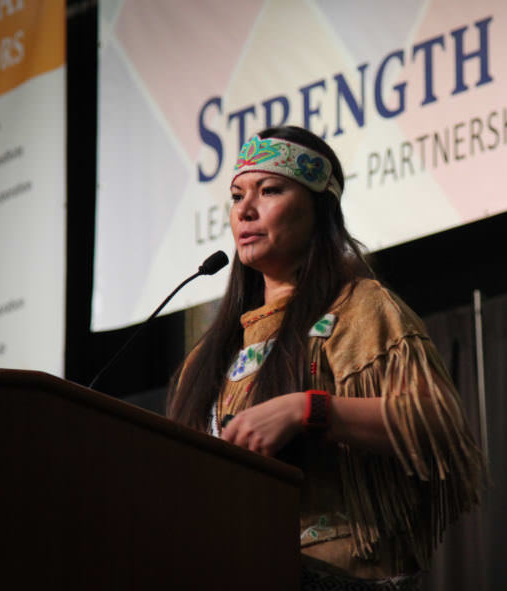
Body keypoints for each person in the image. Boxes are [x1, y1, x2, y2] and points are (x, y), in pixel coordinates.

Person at [166, 126, 482, 589]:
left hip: (340, 574)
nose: (245, 210)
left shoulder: (358, 306)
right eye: (237, 196)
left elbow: (437, 421)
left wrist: (306, 409)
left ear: (318, 208)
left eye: (270, 190)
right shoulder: (208, 356)